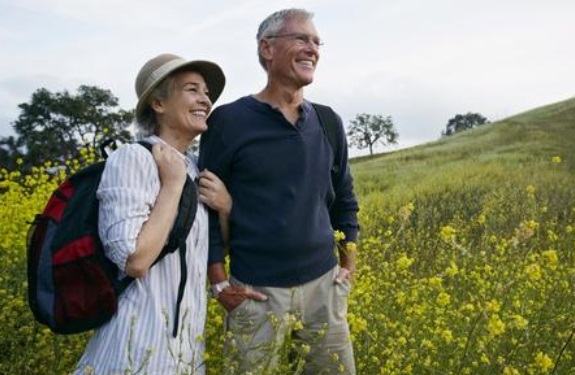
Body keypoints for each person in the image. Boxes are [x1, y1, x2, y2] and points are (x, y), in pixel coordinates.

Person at [199, 8, 360, 375]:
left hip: (324, 287)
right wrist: (219, 284)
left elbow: (346, 201)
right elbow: (206, 210)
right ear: (267, 48)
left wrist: (347, 267)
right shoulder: (227, 122)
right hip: (255, 293)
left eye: (317, 42)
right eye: (302, 39)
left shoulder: (328, 121)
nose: (313, 49)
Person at [74, 53, 231, 374]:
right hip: (135, 351)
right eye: (192, 90)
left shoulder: (192, 168)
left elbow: (201, 255)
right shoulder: (133, 159)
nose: (205, 99)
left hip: (186, 352)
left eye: (206, 93)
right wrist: (172, 187)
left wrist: (226, 209)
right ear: (158, 104)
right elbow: (135, 260)